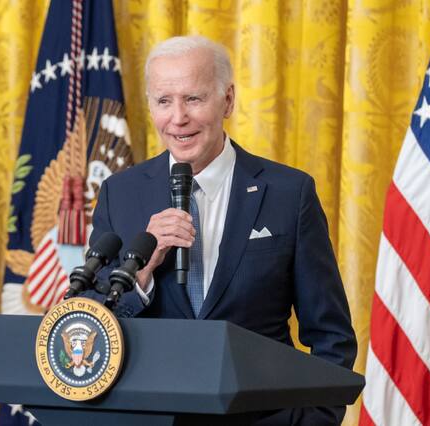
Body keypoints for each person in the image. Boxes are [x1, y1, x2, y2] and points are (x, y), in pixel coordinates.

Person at [90, 35, 357, 425]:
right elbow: (92, 326)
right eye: (164, 101)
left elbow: (332, 336)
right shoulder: (120, 194)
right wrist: (142, 272)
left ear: (227, 100)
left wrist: (309, 421)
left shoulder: (289, 193)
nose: (178, 118)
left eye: (193, 99)